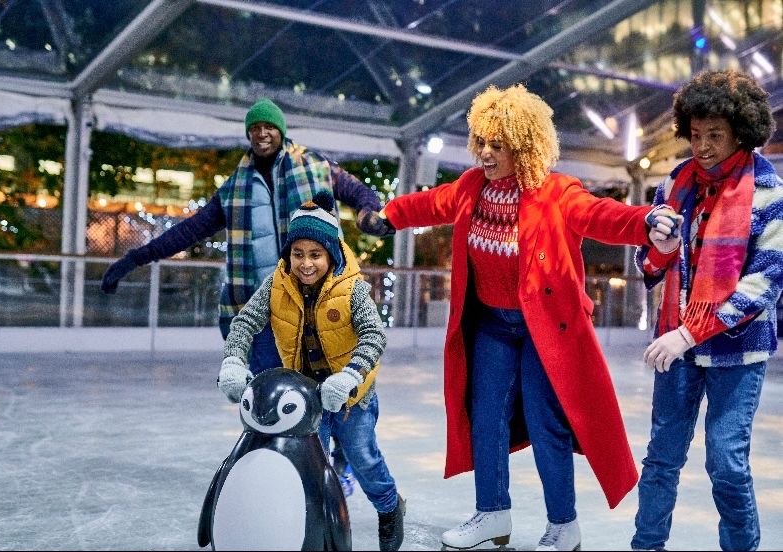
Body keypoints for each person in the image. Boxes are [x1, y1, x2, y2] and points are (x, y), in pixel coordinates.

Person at [377, 84, 676, 551]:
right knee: (486, 419)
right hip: (492, 326)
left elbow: (601, 215)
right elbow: (431, 202)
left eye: (498, 145)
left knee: (545, 423)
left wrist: (644, 222)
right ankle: (492, 513)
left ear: (524, 146)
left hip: (545, 331)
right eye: (482, 142)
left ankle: (563, 525)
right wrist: (389, 216)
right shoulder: (471, 188)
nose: (485, 153)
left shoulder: (557, 193)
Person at [100, 98, 394, 375]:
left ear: (280, 131)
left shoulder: (316, 166)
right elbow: (189, 231)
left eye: (269, 127)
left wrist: (369, 213)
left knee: (327, 393)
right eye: (255, 128)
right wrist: (135, 258)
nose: (262, 133)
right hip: (266, 307)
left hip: (319, 302)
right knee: (265, 391)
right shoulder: (234, 188)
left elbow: (359, 192)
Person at [632, 69, 783, 552]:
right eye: (695, 134)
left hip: (737, 350)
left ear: (740, 133)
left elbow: (765, 282)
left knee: (726, 462)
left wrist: (690, 332)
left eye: (714, 135)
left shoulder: (769, 191)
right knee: (661, 458)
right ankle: (646, 546)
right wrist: (660, 248)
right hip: (678, 343)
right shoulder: (675, 184)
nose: (701, 146)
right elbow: (649, 264)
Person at [217, 190, 406, 551]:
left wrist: (350, 376)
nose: (306, 264)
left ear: (330, 254)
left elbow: (374, 335)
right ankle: (316, 527)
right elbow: (243, 323)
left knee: (362, 459)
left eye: (315, 254)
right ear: (288, 254)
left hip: (353, 397)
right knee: (312, 466)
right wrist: (233, 361)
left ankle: (389, 507)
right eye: (298, 253)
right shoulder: (276, 284)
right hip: (307, 398)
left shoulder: (352, 289)